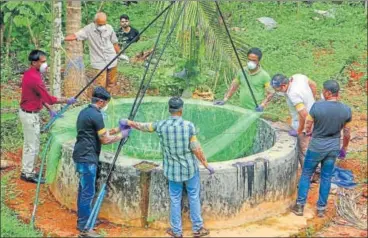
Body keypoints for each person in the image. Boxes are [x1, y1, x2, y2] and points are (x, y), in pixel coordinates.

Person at [119, 97, 213, 238]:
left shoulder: (161, 125)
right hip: (189, 169)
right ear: (181, 110)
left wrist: (128, 122)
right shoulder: (189, 126)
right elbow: (196, 148)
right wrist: (206, 164)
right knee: (193, 196)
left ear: (170, 110)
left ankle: (176, 231)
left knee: (175, 199)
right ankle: (198, 229)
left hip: (172, 171)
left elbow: (143, 126)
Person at [73, 86, 131, 237]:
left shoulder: (85, 112)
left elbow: (100, 133)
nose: (106, 106)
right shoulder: (97, 115)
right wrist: (122, 135)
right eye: (105, 103)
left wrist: (118, 129)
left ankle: (84, 219)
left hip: (79, 155)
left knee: (83, 189)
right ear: (100, 101)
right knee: (88, 192)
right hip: (87, 158)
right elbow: (105, 140)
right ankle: (85, 228)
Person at [291, 80, 352, 217]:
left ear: (328, 93)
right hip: (333, 148)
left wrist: (307, 132)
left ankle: (300, 206)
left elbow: (308, 124)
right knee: (326, 177)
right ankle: (321, 209)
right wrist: (344, 148)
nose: (322, 93)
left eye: (324, 90)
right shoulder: (346, 110)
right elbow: (347, 133)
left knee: (306, 174)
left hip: (316, 147)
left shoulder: (316, 107)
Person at [19, 49, 77, 184]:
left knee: (31, 143)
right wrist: (66, 100)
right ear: (34, 63)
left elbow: (39, 96)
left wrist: (50, 110)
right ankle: (27, 173)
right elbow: (49, 98)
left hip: (29, 113)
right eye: (43, 62)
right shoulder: (34, 78)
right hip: (29, 115)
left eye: (46, 61)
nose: (46, 64)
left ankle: (28, 170)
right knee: (32, 145)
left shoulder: (32, 73)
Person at [64, 12, 125, 93]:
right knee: (100, 85)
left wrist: (119, 54)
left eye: (103, 24)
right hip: (99, 61)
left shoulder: (109, 28)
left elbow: (114, 43)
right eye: (99, 25)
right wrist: (63, 38)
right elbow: (75, 36)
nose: (102, 26)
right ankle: (101, 101)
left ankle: (108, 98)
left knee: (111, 83)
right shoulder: (88, 29)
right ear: (95, 22)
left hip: (112, 58)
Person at [269, 73, 316, 162]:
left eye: (277, 89)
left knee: (303, 148)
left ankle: (310, 169)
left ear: (283, 86)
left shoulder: (293, 94)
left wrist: (300, 131)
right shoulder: (297, 77)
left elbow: (304, 115)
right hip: (314, 114)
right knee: (313, 143)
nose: (277, 91)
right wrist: (311, 101)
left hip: (305, 123)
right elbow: (313, 85)